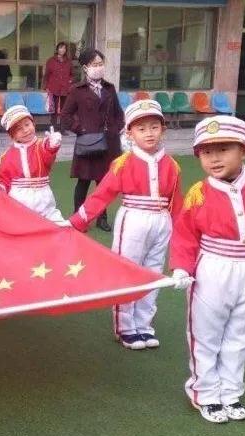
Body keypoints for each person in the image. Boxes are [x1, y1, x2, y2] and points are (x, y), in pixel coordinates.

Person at [170, 116, 245, 424]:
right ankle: (205, 393)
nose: (214, 158)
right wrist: (182, 267)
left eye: (224, 149)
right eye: (206, 152)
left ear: (244, 151)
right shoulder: (198, 193)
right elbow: (184, 235)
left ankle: (231, 391)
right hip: (213, 269)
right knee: (205, 333)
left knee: (242, 332)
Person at [70, 100, 183, 349]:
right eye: (141, 129)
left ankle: (144, 325)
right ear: (130, 133)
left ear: (163, 130)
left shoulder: (172, 165)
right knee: (127, 271)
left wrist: (183, 235)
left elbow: (177, 204)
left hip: (161, 222)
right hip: (133, 219)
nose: (149, 133)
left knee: (153, 273)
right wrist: (78, 221)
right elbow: (102, 195)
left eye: (154, 127)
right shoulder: (123, 163)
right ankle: (125, 327)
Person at [62, 48, 125, 232]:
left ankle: (101, 218)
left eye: (100, 64)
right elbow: (65, 116)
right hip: (87, 143)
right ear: (85, 67)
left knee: (103, 184)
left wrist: (117, 128)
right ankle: (78, 218)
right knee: (83, 182)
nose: (99, 67)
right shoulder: (77, 90)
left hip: (108, 144)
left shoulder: (109, 88)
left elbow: (118, 113)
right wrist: (80, 129)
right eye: (94, 64)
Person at [0, 105, 67, 225]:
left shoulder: (41, 145)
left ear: (33, 124)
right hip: (18, 202)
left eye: (27, 124)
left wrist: (52, 144)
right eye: (19, 129)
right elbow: (3, 178)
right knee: (21, 230)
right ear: (12, 135)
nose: (25, 130)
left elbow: (47, 152)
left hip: (44, 199)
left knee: (58, 227)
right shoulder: (7, 156)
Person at [42, 42, 73, 132]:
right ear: (57, 49)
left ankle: (63, 129)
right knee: (54, 110)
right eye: (60, 48)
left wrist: (70, 81)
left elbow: (72, 74)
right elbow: (46, 75)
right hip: (53, 87)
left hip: (65, 88)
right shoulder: (51, 61)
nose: (62, 50)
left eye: (64, 48)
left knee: (64, 110)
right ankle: (54, 128)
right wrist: (46, 86)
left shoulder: (69, 61)